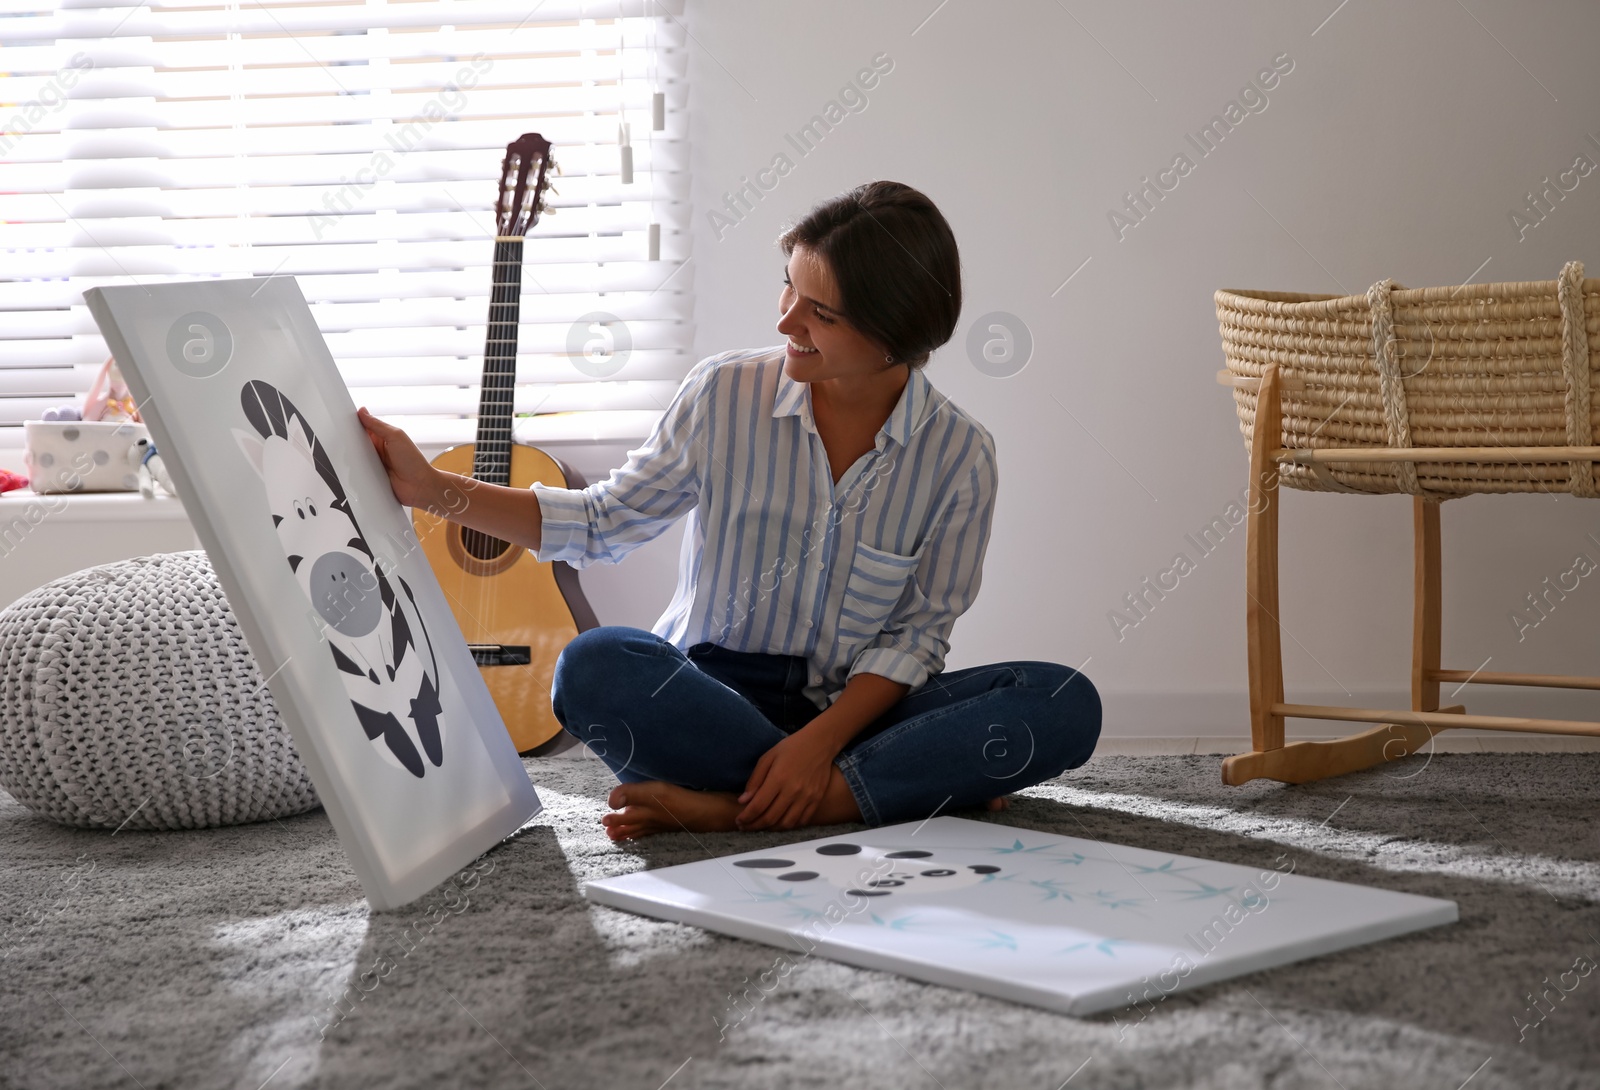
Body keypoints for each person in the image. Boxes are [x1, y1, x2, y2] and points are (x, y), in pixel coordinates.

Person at [359, 180, 1101, 842]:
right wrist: (431, 490)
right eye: (788, 290)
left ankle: (744, 806)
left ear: (894, 338)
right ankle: (889, 786)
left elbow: (917, 637)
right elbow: (600, 523)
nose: (786, 323)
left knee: (1063, 702)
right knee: (592, 667)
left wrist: (817, 747)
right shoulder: (723, 396)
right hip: (710, 696)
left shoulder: (960, 456)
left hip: (855, 713)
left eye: (820, 314)